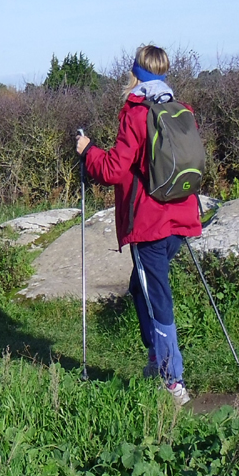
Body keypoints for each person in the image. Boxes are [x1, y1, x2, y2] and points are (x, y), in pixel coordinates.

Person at [76, 44, 201, 406]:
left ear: (135, 73)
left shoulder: (136, 113)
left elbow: (114, 169)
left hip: (150, 224)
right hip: (181, 218)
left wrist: (88, 151)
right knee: (140, 286)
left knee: (157, 295)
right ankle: (155, 360)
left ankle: (172, 382)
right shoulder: (180, 109)